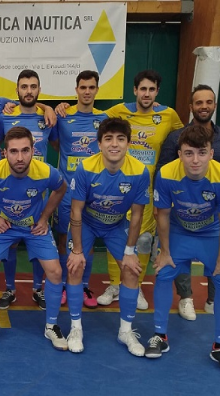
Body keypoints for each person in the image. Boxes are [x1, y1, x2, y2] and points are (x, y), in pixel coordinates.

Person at [0, 126, 67, 349]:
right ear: (5, 153)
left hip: (34, 226)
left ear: (33, 150)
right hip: (4, 225)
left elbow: (61, 189)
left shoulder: (46, 171)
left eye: (25, 150)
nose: (20, 157)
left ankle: (51, 325)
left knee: (55, 271)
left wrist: (45, 218)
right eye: (14, 151)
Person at [97, 70, 184, 309]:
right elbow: (90, 115)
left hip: (147, 188)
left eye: (151, 89)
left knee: (144, 239)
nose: (146, 94)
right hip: (118, 186)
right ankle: (115, 284)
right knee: (116, 233)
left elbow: (183, 136)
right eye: (142, 89)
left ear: (157, 92)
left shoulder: (168, 115)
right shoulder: (118, 111)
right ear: (135, 90)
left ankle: (135, 287)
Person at [66, 118, 150, 355]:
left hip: (116, 225)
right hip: (87, 223)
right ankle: (75, 328)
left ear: (128, 144)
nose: (114, 144)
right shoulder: (85, 168)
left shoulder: (140, 171)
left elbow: (137, 215)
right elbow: (76, 211)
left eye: (120, 139)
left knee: (131, 270)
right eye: (109, 139)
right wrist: (77, 250)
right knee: (74, 266)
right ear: (99, 144)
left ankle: (125, 331)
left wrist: (130, 252)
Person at [144, 125, 220, 363]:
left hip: (211, 233)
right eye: (189, 153)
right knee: (164, 272)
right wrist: (165, 251)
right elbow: (162, 214)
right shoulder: (166, 173)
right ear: (179, 154)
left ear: (211, 153)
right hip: (179, 231)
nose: (195, 160)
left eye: (201, 152)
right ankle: (159, 335)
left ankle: (219, 341)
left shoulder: (219, 175)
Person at [0, 69, 58, 311]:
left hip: (39, 193)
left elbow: (57, 145)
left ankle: (38, 289)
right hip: (10, 190)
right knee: (10, 242)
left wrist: (47, 107)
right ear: (17, 90)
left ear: (39, 90)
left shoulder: (48, 118)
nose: (28, 91)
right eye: (24, 87)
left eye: (33, 87)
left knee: (38, 236)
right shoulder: (5, 116)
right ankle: (10, 289)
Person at [155, 84, 219, 320]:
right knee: (172, 262)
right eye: (199, 102)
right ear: (191, 107)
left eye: (208, 102)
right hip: (181, 216)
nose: (204, 106)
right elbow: (163, 172)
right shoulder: (176, 138)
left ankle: (212, 301)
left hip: (211, 217)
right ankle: (186, 298)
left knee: (218, 267)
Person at [52, 70, 108, 309]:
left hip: (93, 192)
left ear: (97, 90)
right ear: (76, 90)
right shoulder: (63, 116)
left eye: (91, 87)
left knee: (87, 239)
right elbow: (56, 143)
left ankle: (83, 285)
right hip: (67, 191)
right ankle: (65, 285)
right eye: (83, 87)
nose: (87, 91)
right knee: (64, 238)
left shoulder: (104, 118)